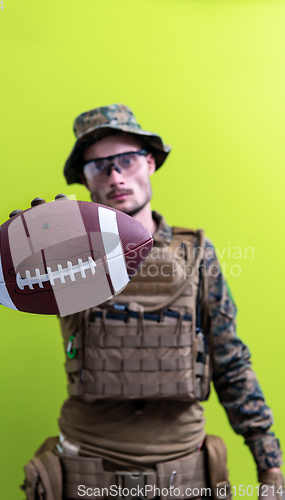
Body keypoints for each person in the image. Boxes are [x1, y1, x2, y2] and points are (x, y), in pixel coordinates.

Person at [21, 104, 283, 500]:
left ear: (149, 162)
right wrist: (29, 243)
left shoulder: (195, 254)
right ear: (84, 180)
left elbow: (229, 359)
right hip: (88, 471)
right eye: (99, 166)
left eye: (125, 160)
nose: (115, 175)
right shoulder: (70, 254)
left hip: (183, 472)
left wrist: (270, 463)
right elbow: (21, 281)